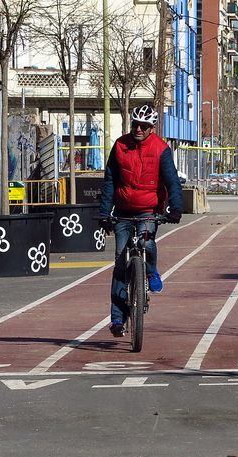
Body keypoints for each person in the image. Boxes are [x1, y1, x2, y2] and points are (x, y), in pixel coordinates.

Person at [97, 103, 183, 338]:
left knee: (146, 244)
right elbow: (109, 181)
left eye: (143, 126)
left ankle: (152, 271)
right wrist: (105, 213)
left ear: (151, 128)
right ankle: (117, 318)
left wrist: (175, 208)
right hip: (123, 210)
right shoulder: (120, 146)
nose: (138, 129)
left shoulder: (161, 149)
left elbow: (172, 182)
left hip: (148, 209)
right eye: (135, 124)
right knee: (120, 264)